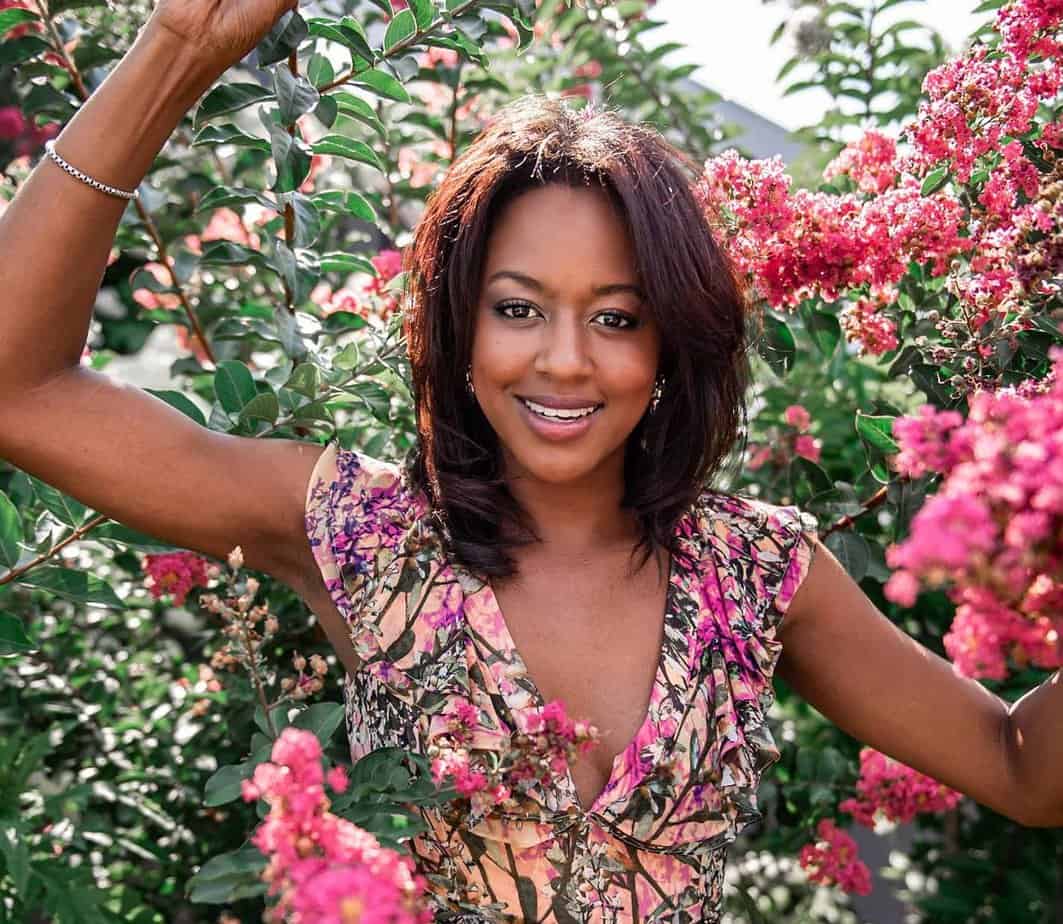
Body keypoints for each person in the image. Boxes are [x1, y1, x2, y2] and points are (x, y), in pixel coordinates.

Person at [0, 1, 1060, 922]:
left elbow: (1022, 770)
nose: (562, 360)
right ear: (461, 326)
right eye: (517, 309)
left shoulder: (759, 572)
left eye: (616, 315)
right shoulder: (358, 530)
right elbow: (20, 390)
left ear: (668, 344)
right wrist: (177, 47)